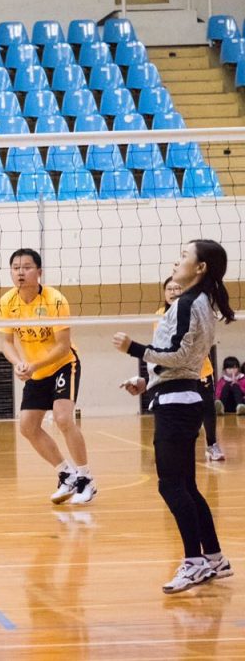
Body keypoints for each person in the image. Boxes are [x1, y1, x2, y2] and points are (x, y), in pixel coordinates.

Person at [113, 239, 234, 593]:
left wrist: (132, 348)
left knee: (171, 485)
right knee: (187, 486)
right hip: (178, 397)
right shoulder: (198, 302)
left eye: (184, 256)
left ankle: (194, 562)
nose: (177, 261)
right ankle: (213, 557)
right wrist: (145, 382)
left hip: (178, 404)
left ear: (200, 268)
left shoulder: (188, 303)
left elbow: (179, 355)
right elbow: (180, 359)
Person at [0, 248, 96, 505]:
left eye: (27, 267)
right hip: (34, 370)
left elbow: (62, 347)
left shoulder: (55, 300)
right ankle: (66, 474)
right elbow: (6, 343)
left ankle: (86, 479)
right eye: (16, 267)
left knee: (63, 419)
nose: (21, 272)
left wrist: (33, 365)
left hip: (62, 365)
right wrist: (19, 363)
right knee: (27, 427)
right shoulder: (7, 302)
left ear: (39, 272)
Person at [159, 277, 223, 462]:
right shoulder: (160, 315)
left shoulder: (197, 311)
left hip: (200, 369)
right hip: (175, 372)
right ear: (164, 293)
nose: (173, 292)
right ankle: (174, 449)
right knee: (175, 411)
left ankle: (211, 445)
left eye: (177, 288)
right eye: (169, 289)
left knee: (207, 408)